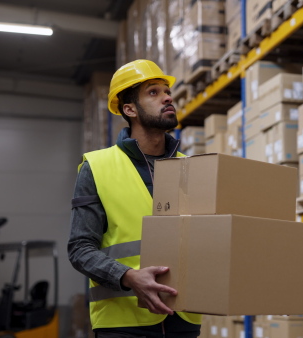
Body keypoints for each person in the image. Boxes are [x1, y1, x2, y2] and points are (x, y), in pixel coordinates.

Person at [68, 60, 202, 338]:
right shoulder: (97, 167)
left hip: (184, 321)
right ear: (129, 109)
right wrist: (128, 277)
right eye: (153, 92)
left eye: (167, 91)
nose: (167, 97)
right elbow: (80, 248)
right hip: (123, 324)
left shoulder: (194, 169)